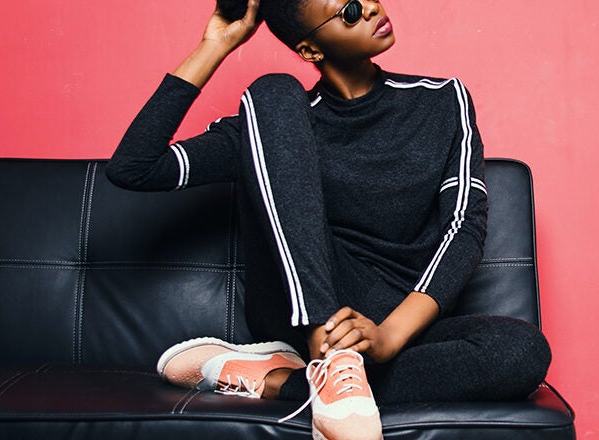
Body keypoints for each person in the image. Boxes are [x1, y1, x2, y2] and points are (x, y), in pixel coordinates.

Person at [106, 1, 552, 439]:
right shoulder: (273, 124)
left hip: (400, 319)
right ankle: (331, 355)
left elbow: (464, 228)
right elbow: (136, 168)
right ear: (310, 50)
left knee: (522, 352)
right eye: (351, 10)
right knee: (273, 89)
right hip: (302, 312)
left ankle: (281, 380)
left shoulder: (442, 101)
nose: (374, 9)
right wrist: (216, 44)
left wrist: (388, 338)